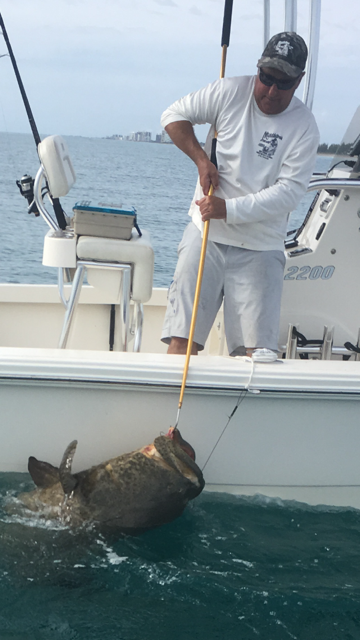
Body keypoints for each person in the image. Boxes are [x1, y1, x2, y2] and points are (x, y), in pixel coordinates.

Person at [160, 32, 320, 360]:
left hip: (260, 248)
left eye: (284, 83)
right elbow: (173, 116)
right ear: (258, 69)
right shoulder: (228, 91)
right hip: (205, 234)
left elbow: (288, 194)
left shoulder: (305, 127)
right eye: (266, 78)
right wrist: (201, 159)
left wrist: (227, 209)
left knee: (254, 357)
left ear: (299, 80)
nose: (272, 90)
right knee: (182, 342)